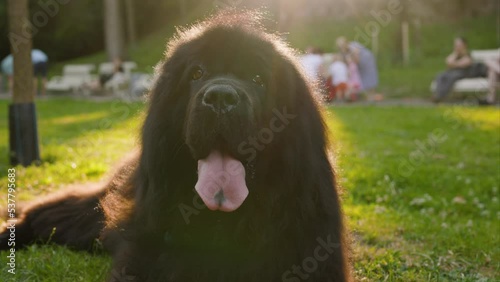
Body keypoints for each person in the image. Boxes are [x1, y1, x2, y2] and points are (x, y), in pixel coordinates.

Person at [432, 37, 473, 102]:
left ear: (464, 45)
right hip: (451, 72)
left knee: (451, 77)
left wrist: (453, 64)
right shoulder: (455, 54)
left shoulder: (467, 54)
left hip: (463, 73)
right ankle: (438, 94)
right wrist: (455, 54)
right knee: (440, 75)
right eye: (456, 45)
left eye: (459, 45)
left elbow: (465, 63)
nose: (457, 47)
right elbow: (448, 62)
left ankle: (440, 96)